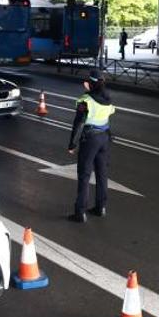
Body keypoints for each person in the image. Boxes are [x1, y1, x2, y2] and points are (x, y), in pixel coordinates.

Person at [67, 69, 116, 223]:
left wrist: (72, 144)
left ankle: (80, 212)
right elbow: (106, 118)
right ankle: (100, 207)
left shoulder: (85, 100)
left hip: (90, 139)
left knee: (84, 175)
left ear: (90, 83)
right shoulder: (108, 97)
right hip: (104, 138)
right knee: (102, 174)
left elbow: (79, 123)